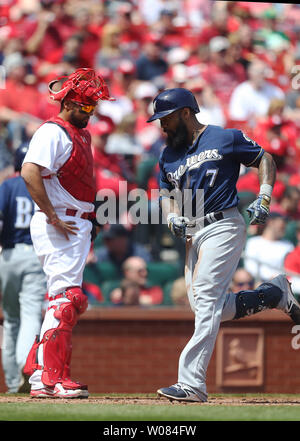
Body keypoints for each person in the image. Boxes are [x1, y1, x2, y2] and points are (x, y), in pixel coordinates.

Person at [146, 87, 300, 403]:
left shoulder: (224, 137)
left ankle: (191, 384)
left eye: (166, 118)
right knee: (210, 306)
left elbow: (264, 158)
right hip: (192, 233)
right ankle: (273, 295)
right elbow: (165, 193)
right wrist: (172, 214)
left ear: (185, 113)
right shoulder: (168, 154)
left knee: (205, 299)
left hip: (223, 224)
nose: (162, 125)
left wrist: (265, 195)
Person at [20, 68, 114, 399]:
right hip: (60, 222)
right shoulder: (53, 131)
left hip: (75, 221)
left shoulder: (79, 134)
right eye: (86, 106)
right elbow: (29, 172)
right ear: (70, 102)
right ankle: (52, 377)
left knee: (64, 300)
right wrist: (51, 215)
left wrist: (92, 217)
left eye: (93, 107)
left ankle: (41, 375)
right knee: (65, 300)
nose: (90, 112)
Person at [0, 145, 47, 394]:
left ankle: (11, 382)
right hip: (33, 255)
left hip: (7, 255)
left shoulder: (7, 185)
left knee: (10, 320)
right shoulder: (41, 185)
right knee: (30, 314)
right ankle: (24, 366)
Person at [244, 212, 294, 282]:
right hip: (258, 283)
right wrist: (269, 277)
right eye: (282, 222)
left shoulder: (288, 245)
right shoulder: (253, 242)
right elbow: (250, 268)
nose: (285, 226)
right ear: (271, 222)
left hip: (282, 284)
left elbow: (290, 269)